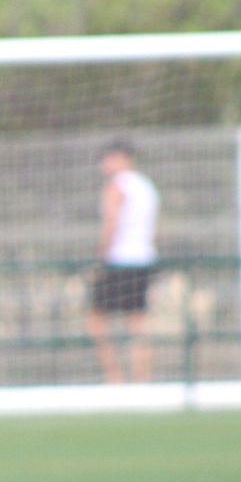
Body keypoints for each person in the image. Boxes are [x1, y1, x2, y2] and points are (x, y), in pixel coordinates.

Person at [85, 140, 160, 383]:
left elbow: (111, 224)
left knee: (95, 322)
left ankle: (115, 379)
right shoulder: (147, 187)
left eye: (109, 159)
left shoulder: (117, 187)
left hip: (118, 261)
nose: (104, 165)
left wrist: (100, 259)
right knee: (137, 322)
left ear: (124, 158)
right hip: (144, 259)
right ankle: (142, 380)